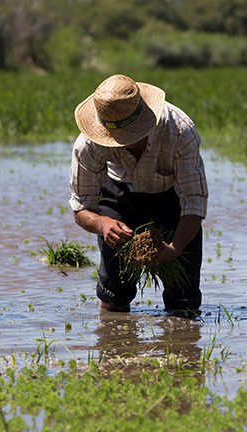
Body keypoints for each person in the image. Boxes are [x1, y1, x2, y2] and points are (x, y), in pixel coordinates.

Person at [69, 74, 208, 314]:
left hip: (171, 199)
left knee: (184, 300)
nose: (122, 144)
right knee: (114, 291)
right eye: (115, 140)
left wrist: (174, 249)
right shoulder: (88, 145)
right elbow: (81, 207)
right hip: (119, 196)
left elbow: (194, 201)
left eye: (129, 137)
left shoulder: (179, 130)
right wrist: (102, 224)